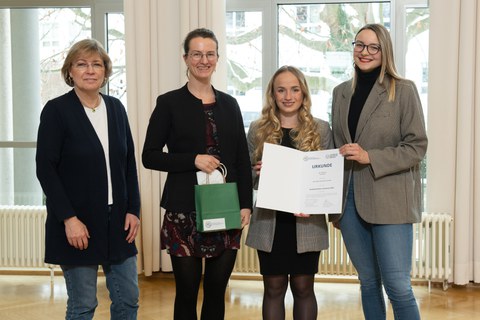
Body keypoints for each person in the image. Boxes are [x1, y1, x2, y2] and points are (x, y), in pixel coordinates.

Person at [142, 28, 253, 320]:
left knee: (217, 290)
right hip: (183, 212)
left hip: (226, 209)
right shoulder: (168, 103)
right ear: (186, 58)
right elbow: (149, 156)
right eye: (197, 54)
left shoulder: (230, 104)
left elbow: (242, 159)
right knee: (187, 292)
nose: (204, 60)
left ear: (217, 58)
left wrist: (245, 204)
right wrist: (193, 160)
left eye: (209, 54)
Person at [35, 38, 141, 320]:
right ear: (70, 71)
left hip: (118, 221)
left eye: (96, 64)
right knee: (83, 305)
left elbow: (128, 163)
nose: (90, 70)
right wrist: (69, 219)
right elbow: (45, 169)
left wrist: (133, 210)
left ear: (105, 72)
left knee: (128, 300)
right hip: (78, 224)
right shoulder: (56, 111)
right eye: (82, 64)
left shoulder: (116, 108)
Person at [331, 23, 428, 320]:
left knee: (398, 287)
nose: (365, 52)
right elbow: (335, 145)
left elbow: (417, 147)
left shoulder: (404, 90)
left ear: (384, 51)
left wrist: (369, 156)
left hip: (391, 201)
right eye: (359, 45)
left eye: (373, 47)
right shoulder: (340, 93)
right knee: (368, 283)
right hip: (349, 202)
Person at [245, 65, 334, 320]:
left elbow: (327, 177)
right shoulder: (257, 129)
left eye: (295, 89)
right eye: (281, 90)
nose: (288, 96)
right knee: (273, 288)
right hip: (271, 222)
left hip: (306, 222)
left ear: (304, 94)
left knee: (303, 287)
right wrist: (258, 173)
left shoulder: (321, 129)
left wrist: (317, 203)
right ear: (272, 95)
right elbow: (247, 177)